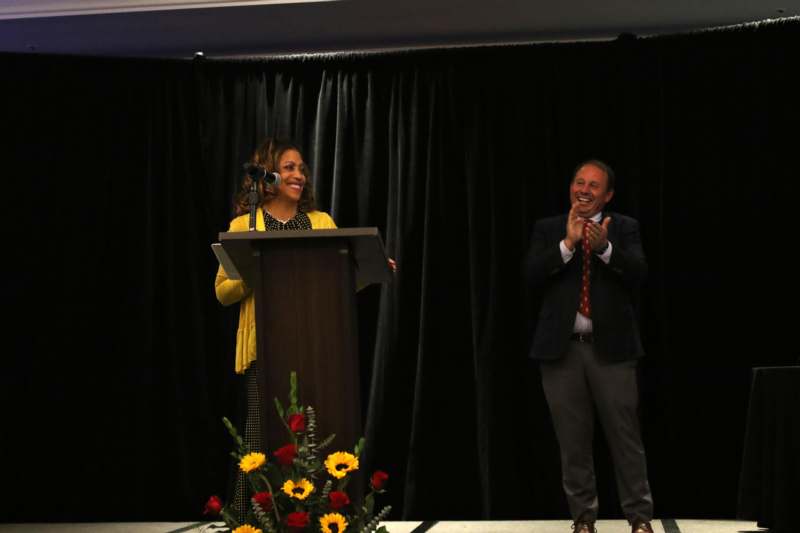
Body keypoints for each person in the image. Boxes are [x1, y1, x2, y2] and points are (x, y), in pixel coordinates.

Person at [525, 160, 653, 533]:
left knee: (626, 440)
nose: (584, 189)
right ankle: (583, 519)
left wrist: (605, 248)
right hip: (561, 352)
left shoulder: (624, 228)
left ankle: (640, 518)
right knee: (573, 443)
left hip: (612, 352)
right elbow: (530, 275)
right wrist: (568, 244)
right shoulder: (548, 229)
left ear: (608, 195)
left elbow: (639, 273)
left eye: (593, 185)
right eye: (579, 182)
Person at [214, 138, 337, 518]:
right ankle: (254, 520)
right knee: (259, 436)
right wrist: (251, 269)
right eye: (288, 168)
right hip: (263, 347)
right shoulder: (244, 224)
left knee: (310, 437)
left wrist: (365, 270)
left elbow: (339, 280)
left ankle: (313, 518)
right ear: (267, 175)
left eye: (301, 168)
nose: (299, 175)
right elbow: (223, 293)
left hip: (311, 344)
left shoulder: (320, 223)